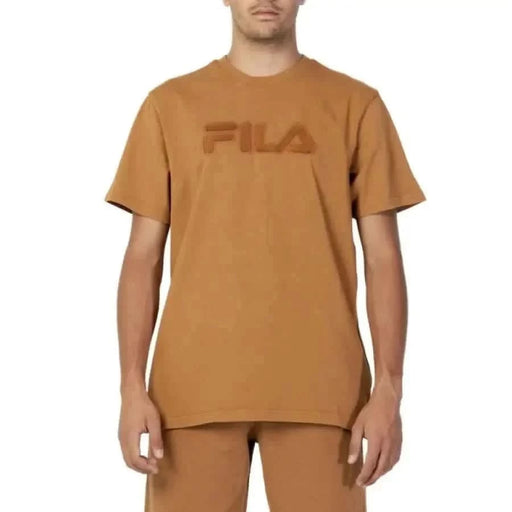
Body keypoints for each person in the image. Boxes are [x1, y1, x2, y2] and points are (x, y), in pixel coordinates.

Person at [104, 1, 427, 510]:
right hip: (191, 395)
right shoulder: (169, 106)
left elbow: (383, 257)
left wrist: (390, 390)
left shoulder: (355, 105)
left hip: (324, 393)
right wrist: (130, 388)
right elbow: (142, 258)